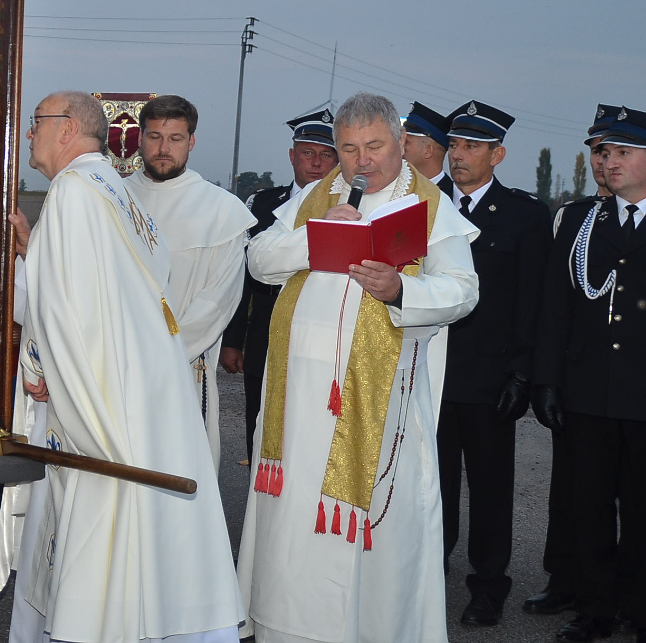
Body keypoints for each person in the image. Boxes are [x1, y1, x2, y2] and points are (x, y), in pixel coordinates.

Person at [236, 91, 479, 643]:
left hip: (380, 397)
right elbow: (259, 261)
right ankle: (285, 626)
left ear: (400, 142)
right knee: (294, 516)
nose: (361, 160)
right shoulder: (317, 197)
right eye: (348, 149)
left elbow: (464, 291)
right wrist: (312, 234)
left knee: (371, 532)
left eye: (373, 145)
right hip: (299, 397)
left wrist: (400, 290)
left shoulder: (429, 206)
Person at [10, 91, 242, 643]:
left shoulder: (72, 192)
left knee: (104, 525)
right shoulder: (114, 188)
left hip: (101, 403)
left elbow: (64, 310)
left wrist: (37, 365)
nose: (28, 136)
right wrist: (33, 254)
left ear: (66, 129)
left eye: (37, 123)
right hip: (139, 389)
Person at [532, 105, 646, 643]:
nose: (609, 160)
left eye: (623, 152)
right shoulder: (582, 221)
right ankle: (596, 608)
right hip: (589, 392)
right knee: (591, 506)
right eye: (605, 151)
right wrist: (547, 380)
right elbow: (557, 307)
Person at [436, 100, 551, 626]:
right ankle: (425, 572)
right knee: (429, 484)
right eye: (455, 145)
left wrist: (523, 373)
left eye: (472, 147)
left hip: (489, 377)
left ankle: (488, 585)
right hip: (428, 372)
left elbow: (533, 302)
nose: (459, 156)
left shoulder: (526, 215)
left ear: (497, 155)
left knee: (489, 488)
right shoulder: (423, 203)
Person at [126, 94, 255, 465]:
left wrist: (159, 357)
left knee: (177, 476)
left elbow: (219, 301)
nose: (163, 148)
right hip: (113, 367)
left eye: (176, 138)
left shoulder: (221, 210)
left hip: (182, 369)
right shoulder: (114, 200)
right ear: (140, 138)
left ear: (191, 142)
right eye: (154, 137)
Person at [221, 109, 337, 457]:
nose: (316, 163)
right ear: (292, 156)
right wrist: (233, 340)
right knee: (259, 420)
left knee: (312, 425)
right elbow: (240, 276)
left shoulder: (348, 207)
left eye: (326, 154)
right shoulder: (264, 204)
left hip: (322, 328)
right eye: (307, 153)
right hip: (268, 324)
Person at [403, 101, 455, 195]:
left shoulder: (453, 198)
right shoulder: (396, 187)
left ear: (428, 150)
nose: (400, 148)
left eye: (406, 142)